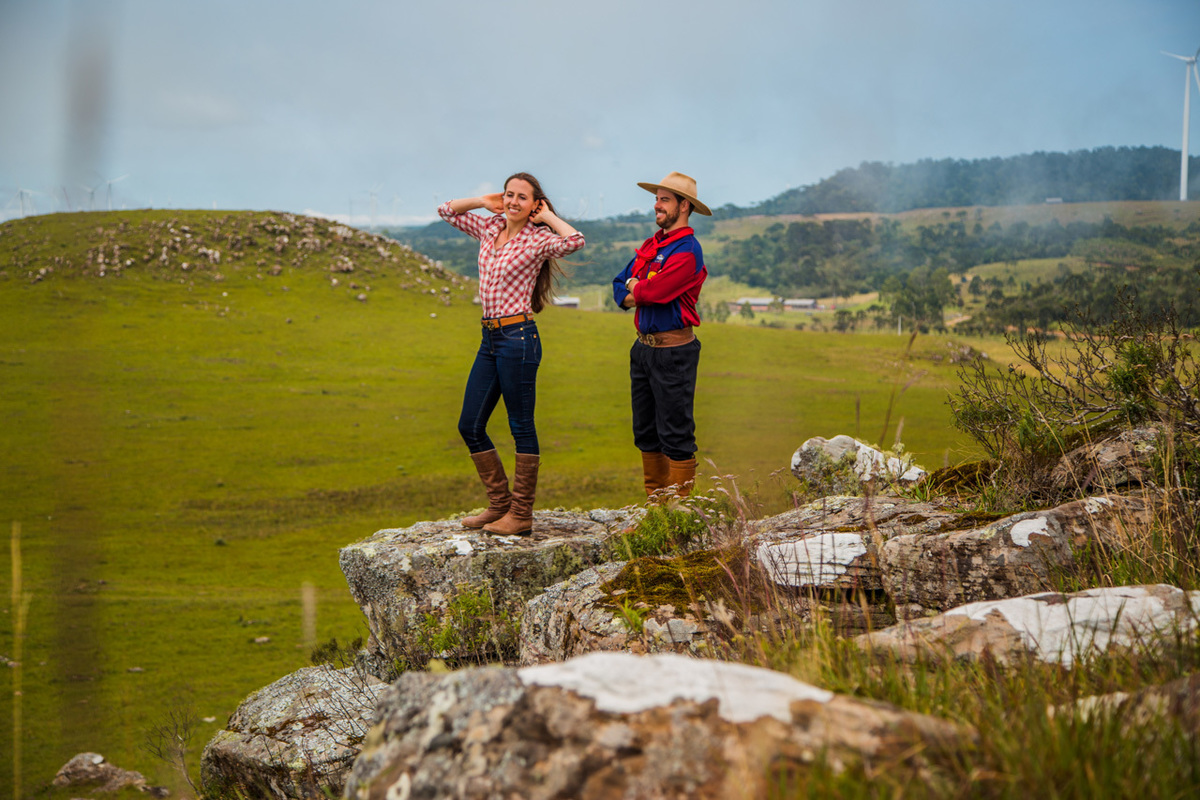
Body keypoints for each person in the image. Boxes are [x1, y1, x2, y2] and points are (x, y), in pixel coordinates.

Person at [438, 173, 584, 535]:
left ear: (535, 203)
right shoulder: (489, 228)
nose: (513, 201)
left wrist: (547, 217)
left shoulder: (538, 240)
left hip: (518, 338)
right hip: (489, 339)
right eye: (509, 194)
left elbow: (576, 241)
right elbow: (445, 210)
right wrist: (483, 201)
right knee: (469, 425)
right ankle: (500, 505)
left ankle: (521, 514)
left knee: (520, 426)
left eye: (522, 197)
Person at [611, 171, 710, 499]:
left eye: (664, 200)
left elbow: (655, 293)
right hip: (643, 350)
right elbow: (618, 285)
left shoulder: (688, 250)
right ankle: (657, 509)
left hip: (673, 352)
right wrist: (634, 287)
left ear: (684, 206)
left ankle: (680, 515)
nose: (657, 205)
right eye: (656, 199)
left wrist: (637, 287)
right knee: (645, 432)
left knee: (676, 433)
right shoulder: (652, 245)